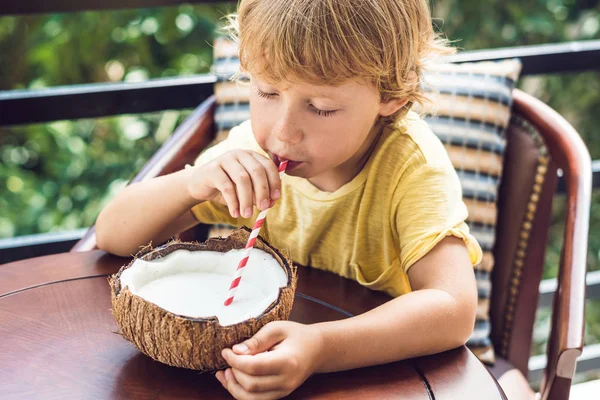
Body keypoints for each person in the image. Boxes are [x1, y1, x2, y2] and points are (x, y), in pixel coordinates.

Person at [96, 0, 482, 398]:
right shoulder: (251, 154)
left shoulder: (411, 168)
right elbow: (111, 235)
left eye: (321, 108)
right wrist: (192, 184)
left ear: (392, 96)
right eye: (267, 91)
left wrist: (321, 348)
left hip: (385, 377)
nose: (284, 133)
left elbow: (453, 310)